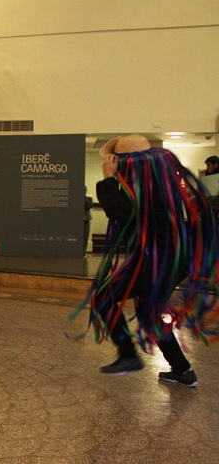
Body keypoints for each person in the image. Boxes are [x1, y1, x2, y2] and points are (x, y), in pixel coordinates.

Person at [80, 135, 218, 386]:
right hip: (171, 260)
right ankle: (182, 371)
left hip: (156, 260)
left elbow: (118, 210)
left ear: (125, 161)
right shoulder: (156, 181)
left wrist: (107, 178)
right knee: (149, 312)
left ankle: (129, 356)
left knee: (103, 297)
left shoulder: (145, 185)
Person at [84, 186, 94, 257]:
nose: (85, 191)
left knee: (85, 237)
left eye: (85, 190)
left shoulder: (88, 199)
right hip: (78, 220)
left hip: (86, 219)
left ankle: (83, 253)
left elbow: (90, 205)